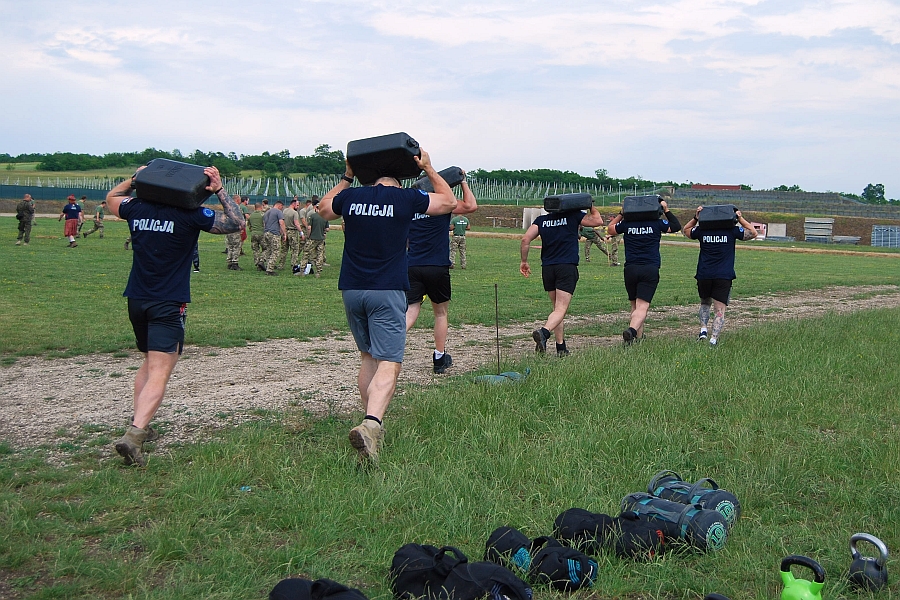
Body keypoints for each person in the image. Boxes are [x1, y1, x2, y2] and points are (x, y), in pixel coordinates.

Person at [318, 148, 458, 463]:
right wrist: (430, 169)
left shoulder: (352, 198)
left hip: (352, 289)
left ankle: (370, 421)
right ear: (398, 179)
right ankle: (372, 425)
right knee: (390, 360)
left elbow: (324, 208)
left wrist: (347, 176)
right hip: (387, 288)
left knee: (368, 356)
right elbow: (449, 202)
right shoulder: (406, 198)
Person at [105, 165, 244, 466]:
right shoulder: (189, 214)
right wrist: (219, 188)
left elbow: (112, 197)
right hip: (169, 301)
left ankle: (140, 420)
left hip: (137, 298)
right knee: (160, 370)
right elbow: (236, 222)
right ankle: (135, 435)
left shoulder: (136, 208)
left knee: (148, 362)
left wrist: (137, 178)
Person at [406, 174, 478, 373]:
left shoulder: (411, 206)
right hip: (437, 266)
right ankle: (439, 358)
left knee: (410, 311)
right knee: (440, 313)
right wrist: (462, 180)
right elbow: (471, 206)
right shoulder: (444, 204)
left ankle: (386, 350)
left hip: (412, 264)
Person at [520, 204, 604, 356]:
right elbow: (598, 221)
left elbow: (525, 239)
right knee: (560, 309)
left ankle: (561, 348)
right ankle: (544, 332)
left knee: (556, 309)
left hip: (548, 268)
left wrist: (524, 261)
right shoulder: (573, 216)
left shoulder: (541, 220)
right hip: (566, 266)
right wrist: (591, 206)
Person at [605, 197, 682, 344]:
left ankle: (637, 339)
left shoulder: (627, 223)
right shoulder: (657, 223)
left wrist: (622, 213)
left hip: (631, 268)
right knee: (643, 306)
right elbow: (676, 226)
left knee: (634, 305)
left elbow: (610, 228)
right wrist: (666, 210)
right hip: (649, 268)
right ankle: (632, 331)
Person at [682, 206, 758, 345]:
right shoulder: (732, 231)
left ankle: (703, 330)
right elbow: (753, 233)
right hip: (723, 275)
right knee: (720, 309)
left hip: (704, 274)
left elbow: (686, 230)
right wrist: (740, 218)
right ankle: (713, 339)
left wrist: (695, 217)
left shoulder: (702, 231)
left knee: (705, 303)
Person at [301, 200, 329, 278]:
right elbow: (327, 229)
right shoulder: (325, 217)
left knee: (306, 253)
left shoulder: (312, 216)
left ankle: (302, 270)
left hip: (312, 238)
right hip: (321, 239)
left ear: (316, 208)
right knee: (320, 255)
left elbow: (309, 227)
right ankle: (318, 272)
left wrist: (309, 236)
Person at [261, 198, 286, 276]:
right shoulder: (278, 212)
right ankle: (270, 269)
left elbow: (264, 223)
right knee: (276, 251)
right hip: (274, 233)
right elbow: (281, 223)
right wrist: (284, 233)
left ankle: (266, 263)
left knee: (269, 249)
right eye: (282, 207)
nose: (282, 208)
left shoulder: (267, 212)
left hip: (266, 232)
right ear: (279, 205)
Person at [282, 196, 304, 272]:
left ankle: (281, 264)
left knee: (284, 249)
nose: (298, 207)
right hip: (293, 232)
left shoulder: (284, 211)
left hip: (285, 231)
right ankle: (293, 264)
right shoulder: (295, 213)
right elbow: (296, 223)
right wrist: (301, 232)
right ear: (294, 204)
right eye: (297, 205)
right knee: (295, 249)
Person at [225, 194, 243, 270]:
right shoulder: (237, 208)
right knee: (236, 246)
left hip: (228, 229)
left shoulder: (227, 207)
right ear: (237, 200)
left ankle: (229, 262)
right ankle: (234, 263)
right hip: (235, 229)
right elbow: (239, 218)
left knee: (230, 246)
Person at [247, 202, 265, 269]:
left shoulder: (251, 215)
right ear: (261, 207)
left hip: (253, 234)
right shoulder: (263, 215)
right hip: (261, 233)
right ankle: (262, 260)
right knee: (266, 248)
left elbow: (249, 225)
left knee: (255, 249)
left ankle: (257, 263)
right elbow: (265, 224)